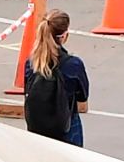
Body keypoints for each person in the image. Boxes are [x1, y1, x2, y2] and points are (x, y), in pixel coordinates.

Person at [22, 10, 89, 147]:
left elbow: (27, 92)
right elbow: (83, 99)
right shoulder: (74, 64)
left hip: (37, 130)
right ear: (64, 36)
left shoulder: (31, 64)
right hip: (66, 128)